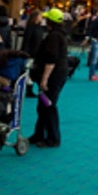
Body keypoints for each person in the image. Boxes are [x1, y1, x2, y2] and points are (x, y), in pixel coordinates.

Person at [29, 8, 69, 148]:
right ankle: (39, 134)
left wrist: (44, 79)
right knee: (43, 105)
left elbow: (51, 59)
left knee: (48, 106)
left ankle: (53, 138)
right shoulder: (60, 35)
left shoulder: (53, 37)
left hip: (53, 75)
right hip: (59, 73)